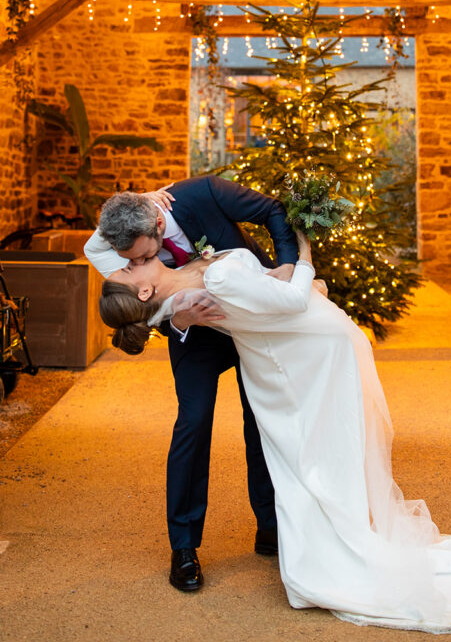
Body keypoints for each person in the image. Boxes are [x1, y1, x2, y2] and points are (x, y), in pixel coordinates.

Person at [99, 232, 451, 634]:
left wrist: (279, 284)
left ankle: (282, 532)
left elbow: (250, 292)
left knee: (305, 451)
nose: (120, 263)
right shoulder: (196, 289)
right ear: (143, 292)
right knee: (306, 449)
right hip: (304, 352)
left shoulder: (173, 261)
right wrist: (304, 256)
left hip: (291, 354)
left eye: (124, 264)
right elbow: (286, 301)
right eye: (125, 270)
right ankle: (303, 543)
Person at [84, 175, 300, 593]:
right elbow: (132, 302)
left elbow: (273, 210)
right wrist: (177, 319)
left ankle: (272, 528)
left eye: (144, 254)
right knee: (193, 423)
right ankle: (183, 547)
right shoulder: (120, 246)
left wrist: (287, 267)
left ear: (159, 225)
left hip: (253, 319)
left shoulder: (202, 193)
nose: (137, 263)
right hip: (191, 331)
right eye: (130, 260)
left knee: (263, 419)